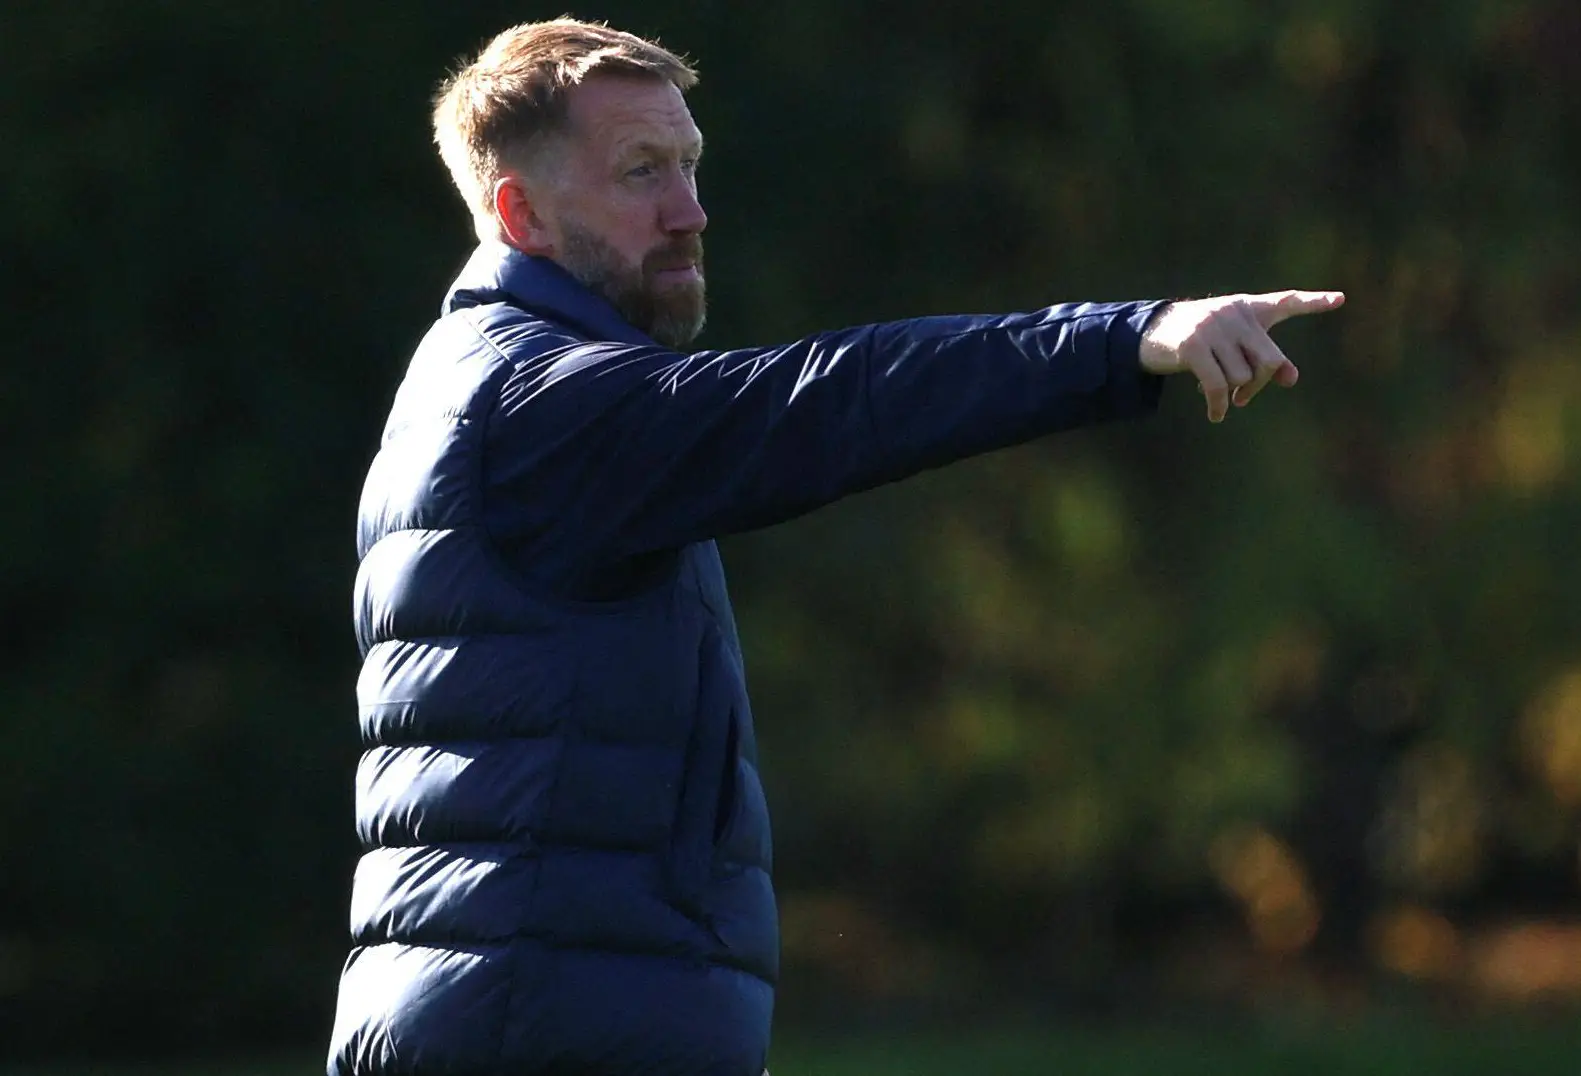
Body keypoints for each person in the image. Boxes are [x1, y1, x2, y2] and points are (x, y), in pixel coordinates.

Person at [328, 16, 1344, 1076]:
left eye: (688, 165)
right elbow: (829, 401)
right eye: (641, 174)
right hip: (538, 1029)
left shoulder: (479, 386)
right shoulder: (544, 406)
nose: (689, 211)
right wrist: (1118, 338)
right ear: (518, 212)